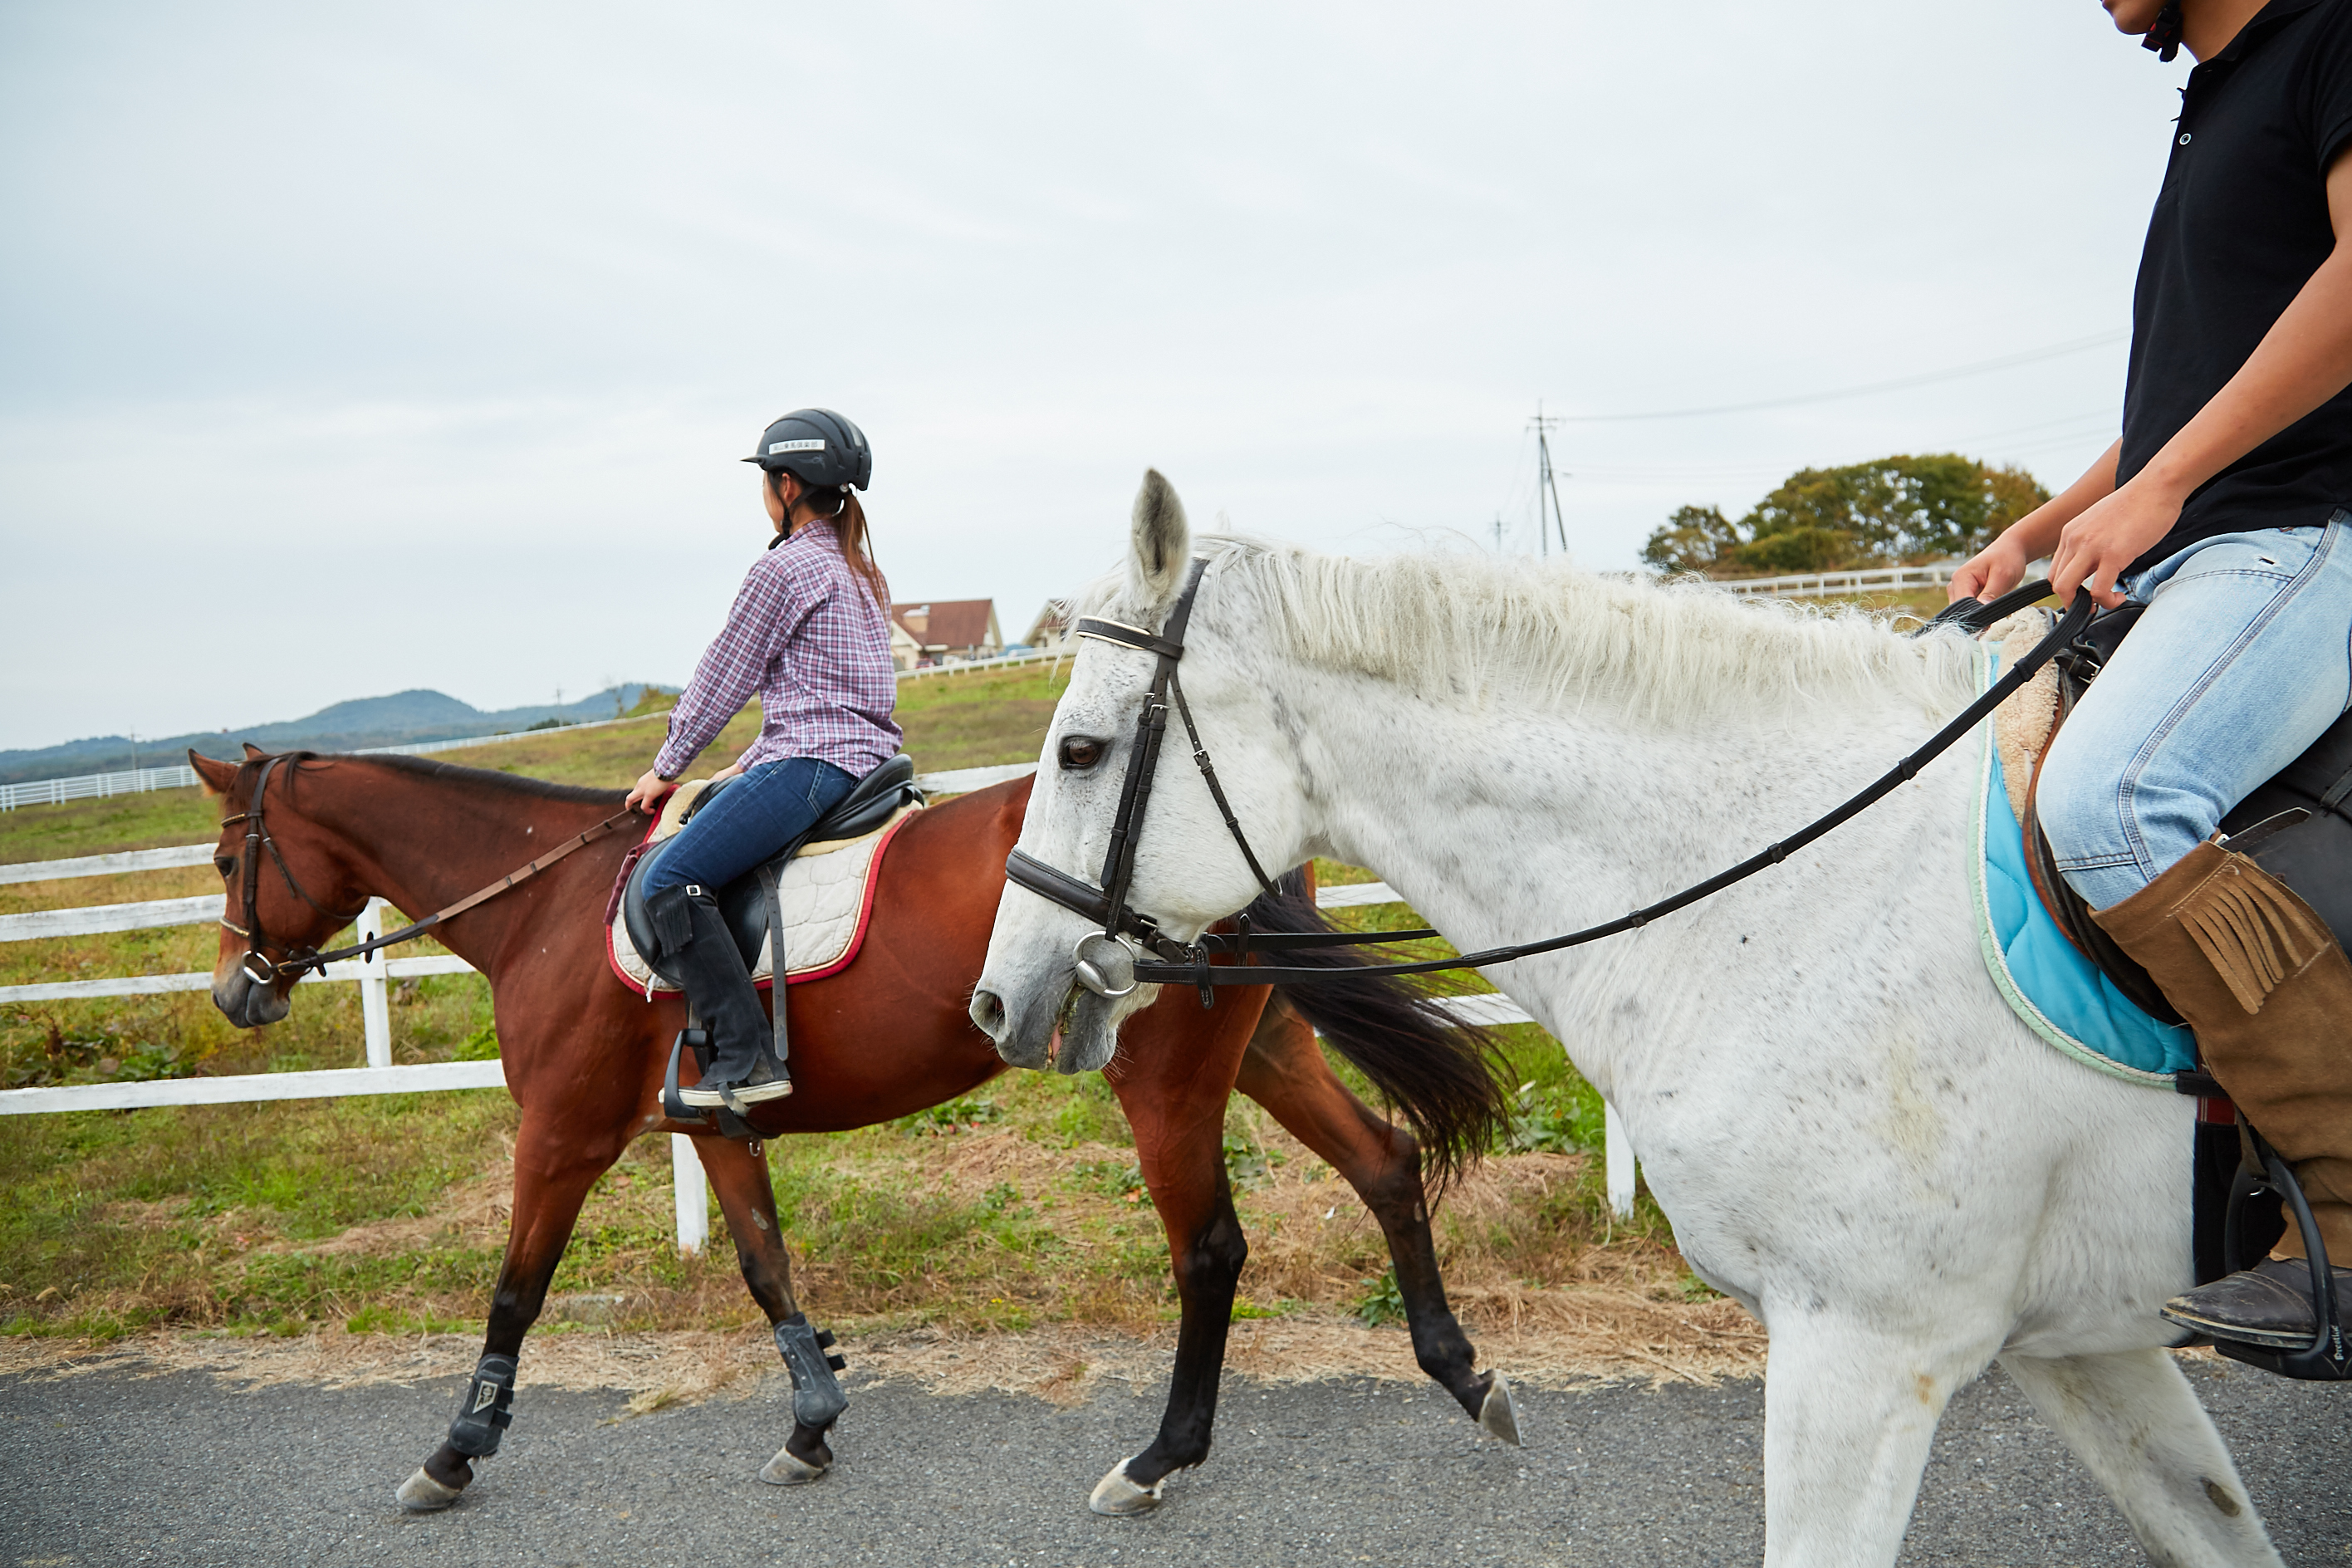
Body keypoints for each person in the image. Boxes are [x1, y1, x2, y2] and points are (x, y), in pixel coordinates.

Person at [1949, 0, 2352, 1354]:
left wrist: (2168, 486)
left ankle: (2348, 1207)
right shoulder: (2211, 106)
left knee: (2114, 800)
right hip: (2193, 552)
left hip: (2298, 537)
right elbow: (2180, 404)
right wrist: (2035, 529)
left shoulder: (2329, 36)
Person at [622, 409, 902, 1110]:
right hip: (863, 765)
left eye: (766, 483)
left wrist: (667, 765)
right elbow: (822, 694)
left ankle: (745, 1060)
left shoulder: (783, 570)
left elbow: (725, 676)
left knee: (671, 880)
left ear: (786, 485)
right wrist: (742, 766)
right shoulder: (861, 571)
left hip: (814, 768)